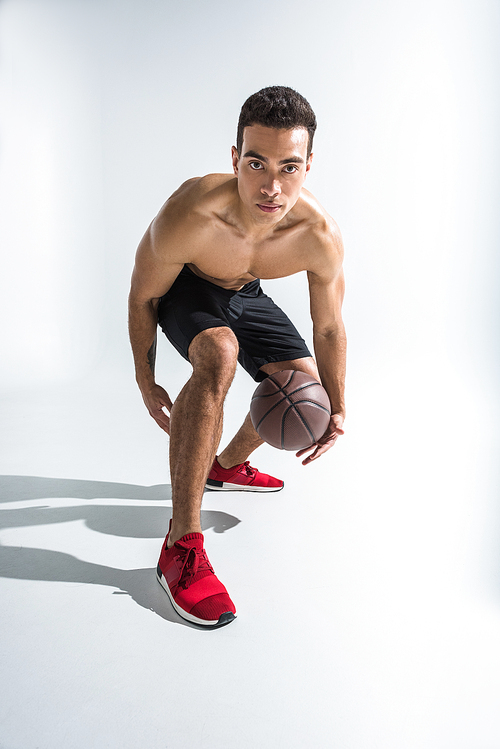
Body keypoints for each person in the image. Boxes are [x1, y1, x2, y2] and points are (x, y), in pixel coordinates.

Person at [128, 86, 346, 628]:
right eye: (256, 163)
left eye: (289, 167)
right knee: (221, 352)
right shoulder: (192, 211)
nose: (272, 187)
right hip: (185, 290)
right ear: (235, 158)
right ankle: (180, 546)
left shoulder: (316, 234)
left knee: (302, 385)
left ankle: (224, 466)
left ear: (309, 165)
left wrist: (337, 406)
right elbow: (144, 296)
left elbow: (328, 325)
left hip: (243, 293)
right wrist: (144, 375)